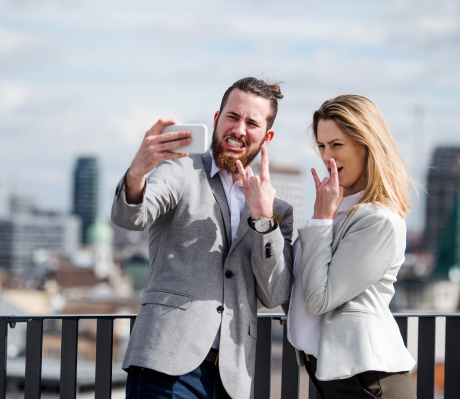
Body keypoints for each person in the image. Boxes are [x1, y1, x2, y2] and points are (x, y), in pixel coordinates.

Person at [111, 77, 294, 399]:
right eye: (232, 117)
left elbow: (275, 292)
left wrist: (263, 220)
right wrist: (138, 170)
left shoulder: (278, 210)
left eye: (252, 123)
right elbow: (131, 216)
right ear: (216, 119)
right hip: (165, 365)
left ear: (267, 137)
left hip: (232, 378)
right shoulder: (181, 169)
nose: (239, 129)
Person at [286, 94, 416, 399]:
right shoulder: (335, 212)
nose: (327, 156)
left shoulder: (378, 220)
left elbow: (319, 300)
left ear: (365, 145)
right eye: (321, 145)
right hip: (328, 377)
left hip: (370, 384)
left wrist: (320, 219)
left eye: (337, 144)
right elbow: (296, 288)